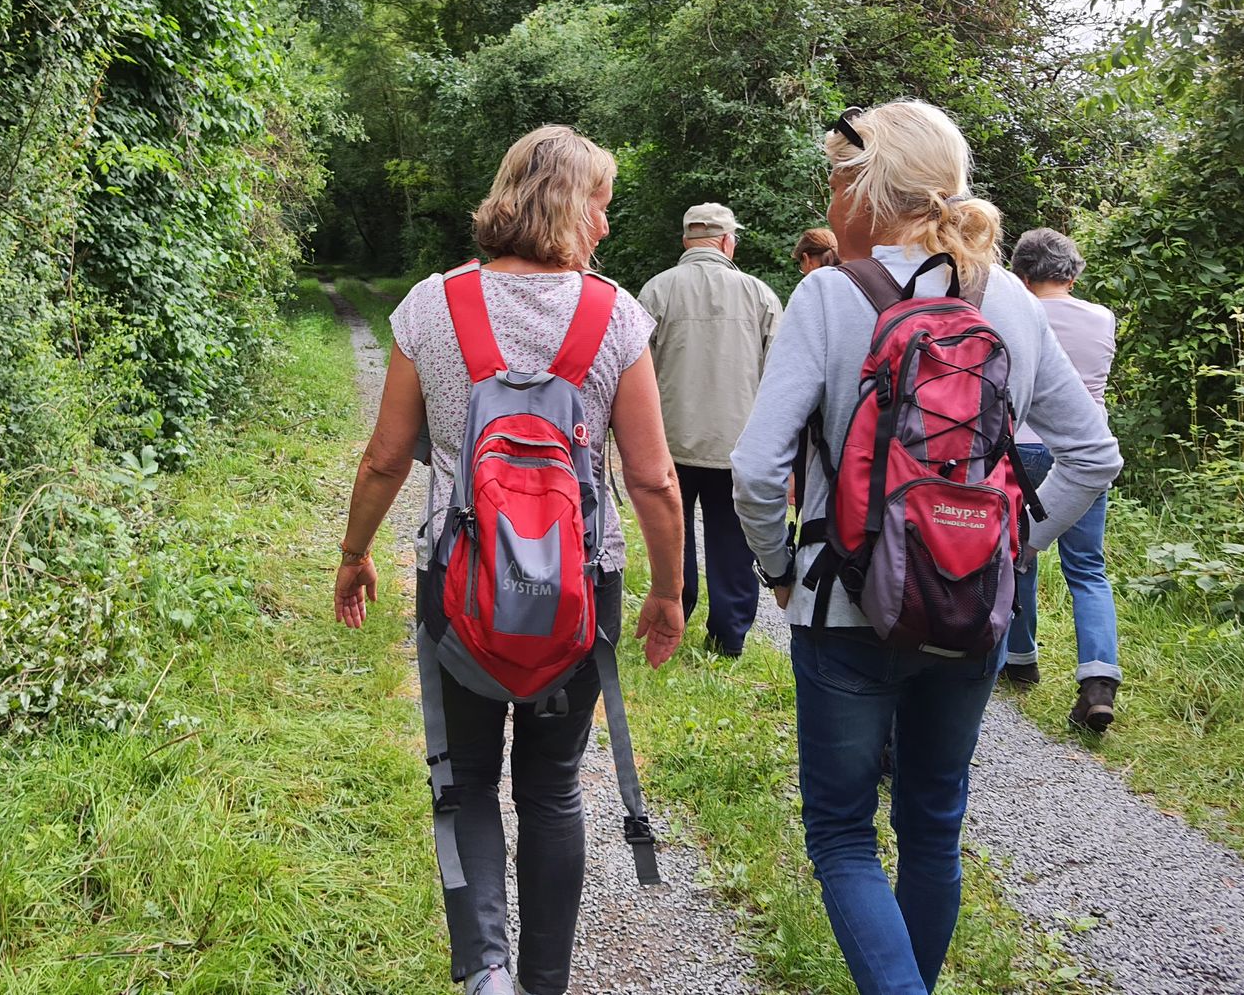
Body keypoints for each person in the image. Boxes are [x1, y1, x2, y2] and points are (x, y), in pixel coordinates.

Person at [729, 100, 1121, 995]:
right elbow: (1095, 454)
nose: (829, 193)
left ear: (869, 186)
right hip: (967, 608)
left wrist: (782, 572)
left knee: (840, 833)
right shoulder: (1010, 299)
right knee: (934, 825)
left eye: (837, 175)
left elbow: (758, 472)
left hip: (846, 607)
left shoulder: (831, 293)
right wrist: (1012, 548)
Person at [334, 124, 686, 995]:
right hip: (577, 587)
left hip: (458, 586)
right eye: (602, 203)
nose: (606, 222)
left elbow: (385, 456)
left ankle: (484, 973)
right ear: (570, 205)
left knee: (466, 782)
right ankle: (544, 981)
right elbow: (653, 477)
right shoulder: (616, 317)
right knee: (553, 787)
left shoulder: (432, 306)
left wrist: (355, 550)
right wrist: (669, 591)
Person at [637, 203, 781, 656]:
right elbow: (778, 374)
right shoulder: (759, 295)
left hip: (670, 442)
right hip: (737, 447)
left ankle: (673, 616)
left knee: (672, 534)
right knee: (734, 543)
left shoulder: (656, 291)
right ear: (726, 241)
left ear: (686, 241)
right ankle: (728, 638)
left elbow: (633, 369)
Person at [1004, 227, 1122, 730]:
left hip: (1024, 451)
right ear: (1072, 274)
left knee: (1018, 557)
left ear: (1021, 273)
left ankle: (1021, 658)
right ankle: (1098, 681)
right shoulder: (1102, 318)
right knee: (1088, 570)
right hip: (1086, 450)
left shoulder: (1017, 313)